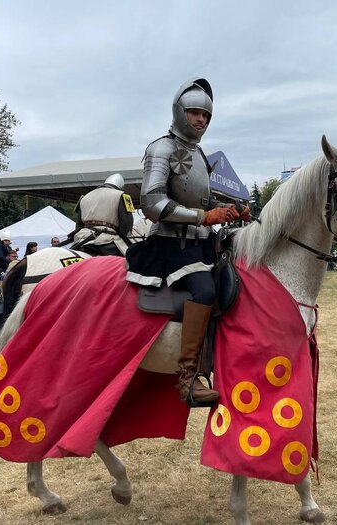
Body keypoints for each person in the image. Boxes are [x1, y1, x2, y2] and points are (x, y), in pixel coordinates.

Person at [125, 78, 249, 406]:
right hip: (169, 245)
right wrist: (202, 217)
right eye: (194, 113)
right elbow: (151, 204)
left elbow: (203, 203)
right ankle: (188, 379)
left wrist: (228, 212)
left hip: (199, 243)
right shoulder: (161, 148)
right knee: (205, 290)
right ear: (180, 112)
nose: (200, 120)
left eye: (206, 116)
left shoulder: (198, 153)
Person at [70, 173, 134, 256]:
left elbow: (78, 225)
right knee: (131, 259)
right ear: (120, 187)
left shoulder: (84, 197)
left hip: (82, 238)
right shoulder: (123, 196)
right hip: (107, 240)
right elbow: (126, 224)